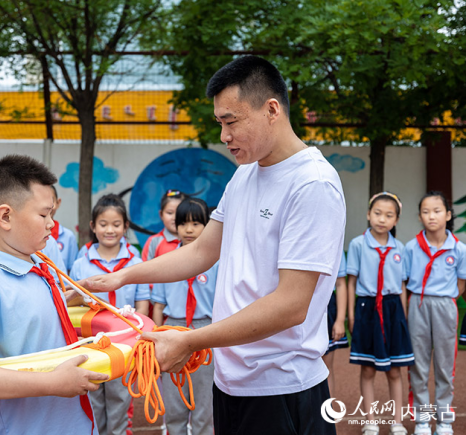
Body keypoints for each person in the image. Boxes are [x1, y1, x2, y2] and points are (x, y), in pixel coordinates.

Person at [80, 55, 346, 435]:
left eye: (231, 121)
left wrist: (192, 341)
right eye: (220, 123)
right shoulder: (244, 176)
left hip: (283, 387)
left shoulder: (312, 184)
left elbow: (291, 304)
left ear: (272, 109)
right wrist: (120, 277)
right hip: (231, 381)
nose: (224, 136)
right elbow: (202, 251)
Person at [0, 154, 107, 435]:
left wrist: (68, 300)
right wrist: (52, 383)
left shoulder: (36, 264)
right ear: (5, 216)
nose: (52, 223)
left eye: (52, 214)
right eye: (44, 214)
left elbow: (23, 320)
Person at [70, 194, 149, 435]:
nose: (110, 230)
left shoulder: (136, 262)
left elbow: (142, 302)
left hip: (123, 347)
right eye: (103, 224)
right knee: (92, 400)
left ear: (126, 226)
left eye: (116, 224)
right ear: (93, 227)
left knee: (120, 401)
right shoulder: (81, 264)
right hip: (91, 346)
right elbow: (73, 305)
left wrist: (139, 338)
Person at [347, 192, 413, 435]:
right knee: (367, 368)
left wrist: (403, 316)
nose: (382, 219)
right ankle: (370, 420)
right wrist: (351, 316)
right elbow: (351, 281)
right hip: (366, 308)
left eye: (389, 215)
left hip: (393, 308)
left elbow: (403, 285)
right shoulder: (357, 244)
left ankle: (397, 421)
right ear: (368, 214)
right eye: (377, 213)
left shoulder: (401, 248)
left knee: (396, 369)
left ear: (396, 220)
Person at [151, 197, 217, 435]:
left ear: (208, 226)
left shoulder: (217, 262)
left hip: (206, 330)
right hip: (172, 328)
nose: (189, 229)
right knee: (174, 402)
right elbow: (158, 305)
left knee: (204, 402)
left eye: (196, 224)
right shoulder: (166, 261)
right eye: (183, 224)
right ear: (175, 227)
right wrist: (156, 341)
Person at [405, 191, 466, 435]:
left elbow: (462, 282)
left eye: (437, 211)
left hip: (445, 305)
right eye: (426, 211)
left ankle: (444, 420)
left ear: (448, 215)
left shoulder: (459, 249)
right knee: (418, 364)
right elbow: (405, 279)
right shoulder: (411, 247)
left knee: (445, 365)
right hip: (418, 304)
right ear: (420, 216)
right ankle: (422, 419)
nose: (432, 216)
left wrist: (448, 298)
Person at [322, 252, 348, 398]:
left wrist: (339, 320)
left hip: (326, 305)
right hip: (300, 302)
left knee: (327, 367)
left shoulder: (334, 240)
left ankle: (327, 415)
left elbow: (340, 283)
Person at [141, 190, 187, 261]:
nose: (175, 218)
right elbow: (143, 269)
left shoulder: (193, 239)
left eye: (179, 213)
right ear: (161, 214)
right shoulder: (153, 242)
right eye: (170, 213)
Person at [49, 185, 78, 272]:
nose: (46, 206)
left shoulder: (68, 236)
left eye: (51, 201)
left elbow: (72, 269)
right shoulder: (29, 235)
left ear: (58, 203)